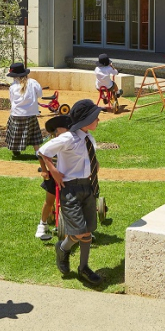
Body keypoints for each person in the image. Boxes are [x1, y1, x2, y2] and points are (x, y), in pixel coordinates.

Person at [37, 99, 103, 286]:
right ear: (86, 120)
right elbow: (43, 151)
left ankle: (84, 267)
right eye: (95, 117)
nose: (98, 120)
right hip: (71, 189)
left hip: (88, 186)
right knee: (80, 232)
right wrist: (53, 171)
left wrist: (95, 165)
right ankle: (63, 248)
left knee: (87, 231)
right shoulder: (68, 138)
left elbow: (89, 158)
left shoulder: (89, 138)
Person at [35, 114, 71, 241]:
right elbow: (40, 154)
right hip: (53, 177)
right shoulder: (52, 143)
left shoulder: (71, 142)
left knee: (74, 201)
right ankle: (43, 223)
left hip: (68, 176)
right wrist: (44, 170)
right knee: (49, 201)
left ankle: (80, 226)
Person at [5, 62, 44, 158]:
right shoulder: (33, 83)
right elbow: (40, 94)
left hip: (16, 114)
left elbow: (11, 100)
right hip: (30, 114)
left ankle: (15, 149)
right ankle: (37, 152)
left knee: (15, 132)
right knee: (34, 134)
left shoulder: (13, 86)